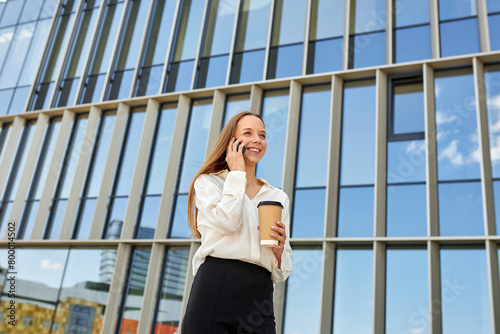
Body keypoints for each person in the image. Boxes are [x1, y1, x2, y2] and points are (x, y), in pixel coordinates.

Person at [181, 111, 292, 334]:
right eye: (248, 133)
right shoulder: (208, 183)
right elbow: (228, 223)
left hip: (258, 293)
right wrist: (237, 175)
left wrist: (280, 252)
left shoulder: (278, 197)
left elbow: (282, 271)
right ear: (231, 141)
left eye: (262, 135)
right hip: (214, 283)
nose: (257, 140)